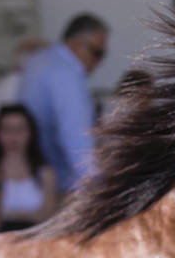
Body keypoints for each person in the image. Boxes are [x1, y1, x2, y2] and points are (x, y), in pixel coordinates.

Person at [17, 12, 109, 194]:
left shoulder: (39, 61)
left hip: (33, 175)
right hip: (61, 184)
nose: (98, 62)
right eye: (97, 53)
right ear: (76, 44)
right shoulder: (67, 75)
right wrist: (97, 189)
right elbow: (76, 138)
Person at [0, 104, 58, 229]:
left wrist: (8, 215)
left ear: (31, 132)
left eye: (20, 129)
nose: (14, 136)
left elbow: (48, 215)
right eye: (7, 129)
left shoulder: (45, 173)